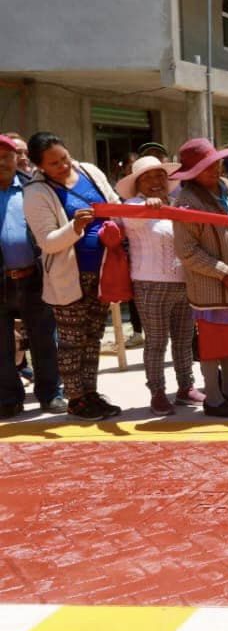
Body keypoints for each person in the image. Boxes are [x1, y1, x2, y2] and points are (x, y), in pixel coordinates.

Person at [23, 132, 122, 421]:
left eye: (64, 158)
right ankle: (76, 399)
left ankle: (91, 393)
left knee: (93, 338)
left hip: (102, 271)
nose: (63, 166)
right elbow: (48, 242)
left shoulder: (89, 171)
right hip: (69, 278)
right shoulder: (36, 193)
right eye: (54, 164)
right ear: (40, 167)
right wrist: (75, 228)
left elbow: (114, 204)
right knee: (71, 340)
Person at [171, 138, 228, 418]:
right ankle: (213, 397)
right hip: (211, 283)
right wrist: (221, 271)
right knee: (212, 343)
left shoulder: (227, 187)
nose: (213, 169)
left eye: (215, 163)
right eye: (205, 166)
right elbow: (186, 251)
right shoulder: (186, 202)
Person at [115, 153, 202, 416]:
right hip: (149, 284)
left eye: (160, 176)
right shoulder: (132, 205)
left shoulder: (177, 204)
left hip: (183, 283)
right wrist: (147, 207)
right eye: (148, 177)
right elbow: (131, 220)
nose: (156, 181)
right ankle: (157, 392)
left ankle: (186, 387)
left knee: (184, 340)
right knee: (156, 342)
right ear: (138, 183)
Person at [0, 134, 62, 417]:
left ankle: (50, 393)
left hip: (34, 276)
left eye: (6, 155)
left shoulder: (33, 189)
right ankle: (8, 397)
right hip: (1, 281)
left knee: (45, 337)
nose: (2, 161)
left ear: (17, 159)